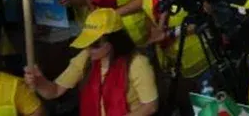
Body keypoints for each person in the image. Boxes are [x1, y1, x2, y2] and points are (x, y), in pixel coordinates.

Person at [25, 8, 159, 115]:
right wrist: (39, 82)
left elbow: (150, 106)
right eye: (87, 43)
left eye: (95, 44)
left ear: (113, 42)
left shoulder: (137, 64)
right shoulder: (85, 58)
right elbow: (54, 91)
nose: (89, 49)